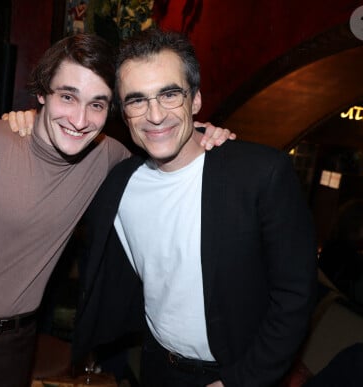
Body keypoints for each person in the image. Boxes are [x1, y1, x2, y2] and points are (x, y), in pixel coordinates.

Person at [0, 33, 234, 387]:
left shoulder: (107, 156)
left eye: (96, 104)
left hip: (18, 344)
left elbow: (164, 146)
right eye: (67, 96)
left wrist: (203, 134)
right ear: (42, 93)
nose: (79, 119)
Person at [65, 28, 317, 387]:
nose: (154, 115)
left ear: (195, 100)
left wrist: (240, 381)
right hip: (154, 366)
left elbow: (295, 296)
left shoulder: (261, 174)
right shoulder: (117, 184)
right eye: (137, 101)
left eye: (169, 94)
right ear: (123, 112)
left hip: (236, 372)